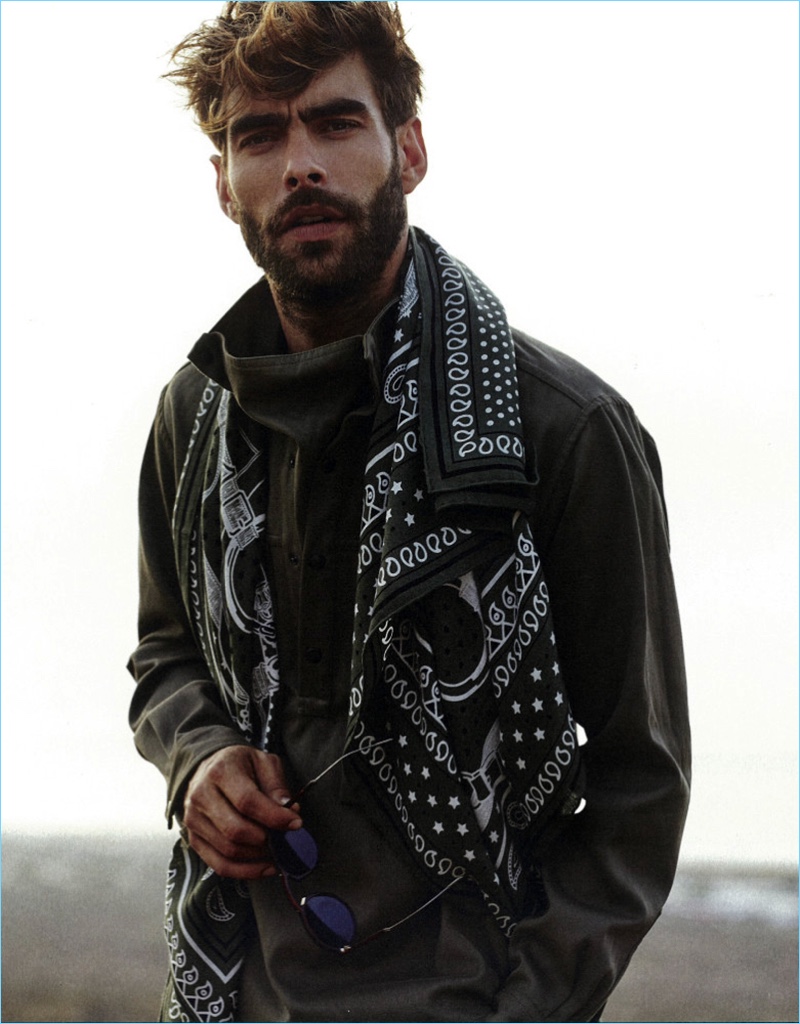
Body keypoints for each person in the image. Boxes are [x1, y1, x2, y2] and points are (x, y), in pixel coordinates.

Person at [127, 3, 691, 1021]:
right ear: (223, 182)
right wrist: (197, 756)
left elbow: (637, 784)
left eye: (336, 123)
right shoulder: (195, 416)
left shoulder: (562, 429)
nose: (301, 165)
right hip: (231, 992)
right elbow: (165, 652)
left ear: (409, 151)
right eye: (260, 136)